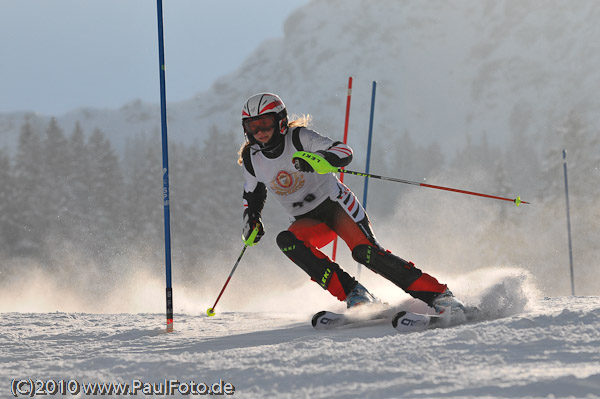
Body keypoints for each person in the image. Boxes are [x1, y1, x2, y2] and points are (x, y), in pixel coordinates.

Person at [238, 92, 464, 314]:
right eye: (252, 127)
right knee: (287, 240)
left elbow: (343, 151)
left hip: (337, 207)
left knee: (366, 253)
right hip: (307, 220)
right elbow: (253, 195)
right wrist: (252, 220)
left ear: (280, 121)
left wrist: (320, 159)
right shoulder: (252, 158)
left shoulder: (298, 138)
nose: (260, 132)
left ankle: (440, 295)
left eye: (265, 124)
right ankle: (355, 293)